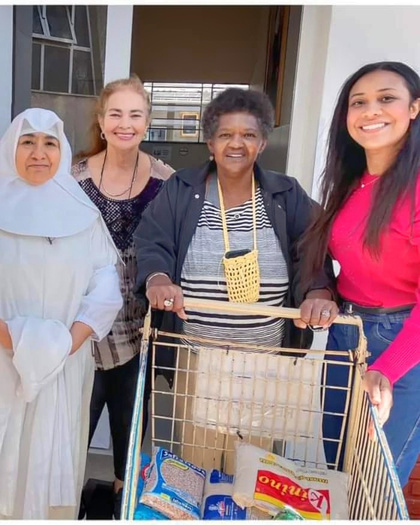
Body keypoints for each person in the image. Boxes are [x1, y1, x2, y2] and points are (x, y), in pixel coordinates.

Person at [133, 87, 336, 469]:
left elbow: (313, 249)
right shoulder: (183, 188)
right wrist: (158, 278)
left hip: (265, 363)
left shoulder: (286, 192)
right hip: (198, 360)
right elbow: (153, 240)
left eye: (248, 134)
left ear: (262, 142)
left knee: (253, 473)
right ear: (210, 142)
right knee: (199, 469)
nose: (236, 144)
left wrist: (319, 291)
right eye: (226, 134)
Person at [301, 61, 420, 487]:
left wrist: (388, 369)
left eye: (387, 98)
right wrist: (324, 292)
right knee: (341, 474)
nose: (371, 111)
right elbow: (342, 258)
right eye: (359, 102)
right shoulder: (352, 182)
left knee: (376, 486)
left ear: (414, 108)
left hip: (403, 346)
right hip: (346, 334)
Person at [0, 108, 122, 519]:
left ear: (62, 149)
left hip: (65, 364)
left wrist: (68, 342)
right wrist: (12, 339)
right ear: (10, 148)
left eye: (49, 142)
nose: (39, 153)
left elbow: (105, 281)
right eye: (27, 142)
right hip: (2, 362)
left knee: (54, 457)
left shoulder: (81, 212)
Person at [73, 74, 174, 518]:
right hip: (81, 332)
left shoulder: (168, 182)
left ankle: (120, 504)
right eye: (115, 114)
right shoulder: (72, 179)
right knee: (72, 432)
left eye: (135, 115)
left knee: (129, 434)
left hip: (139, 330)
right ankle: (63, 504)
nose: (125, 124)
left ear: (147, 122)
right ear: (101, 120)